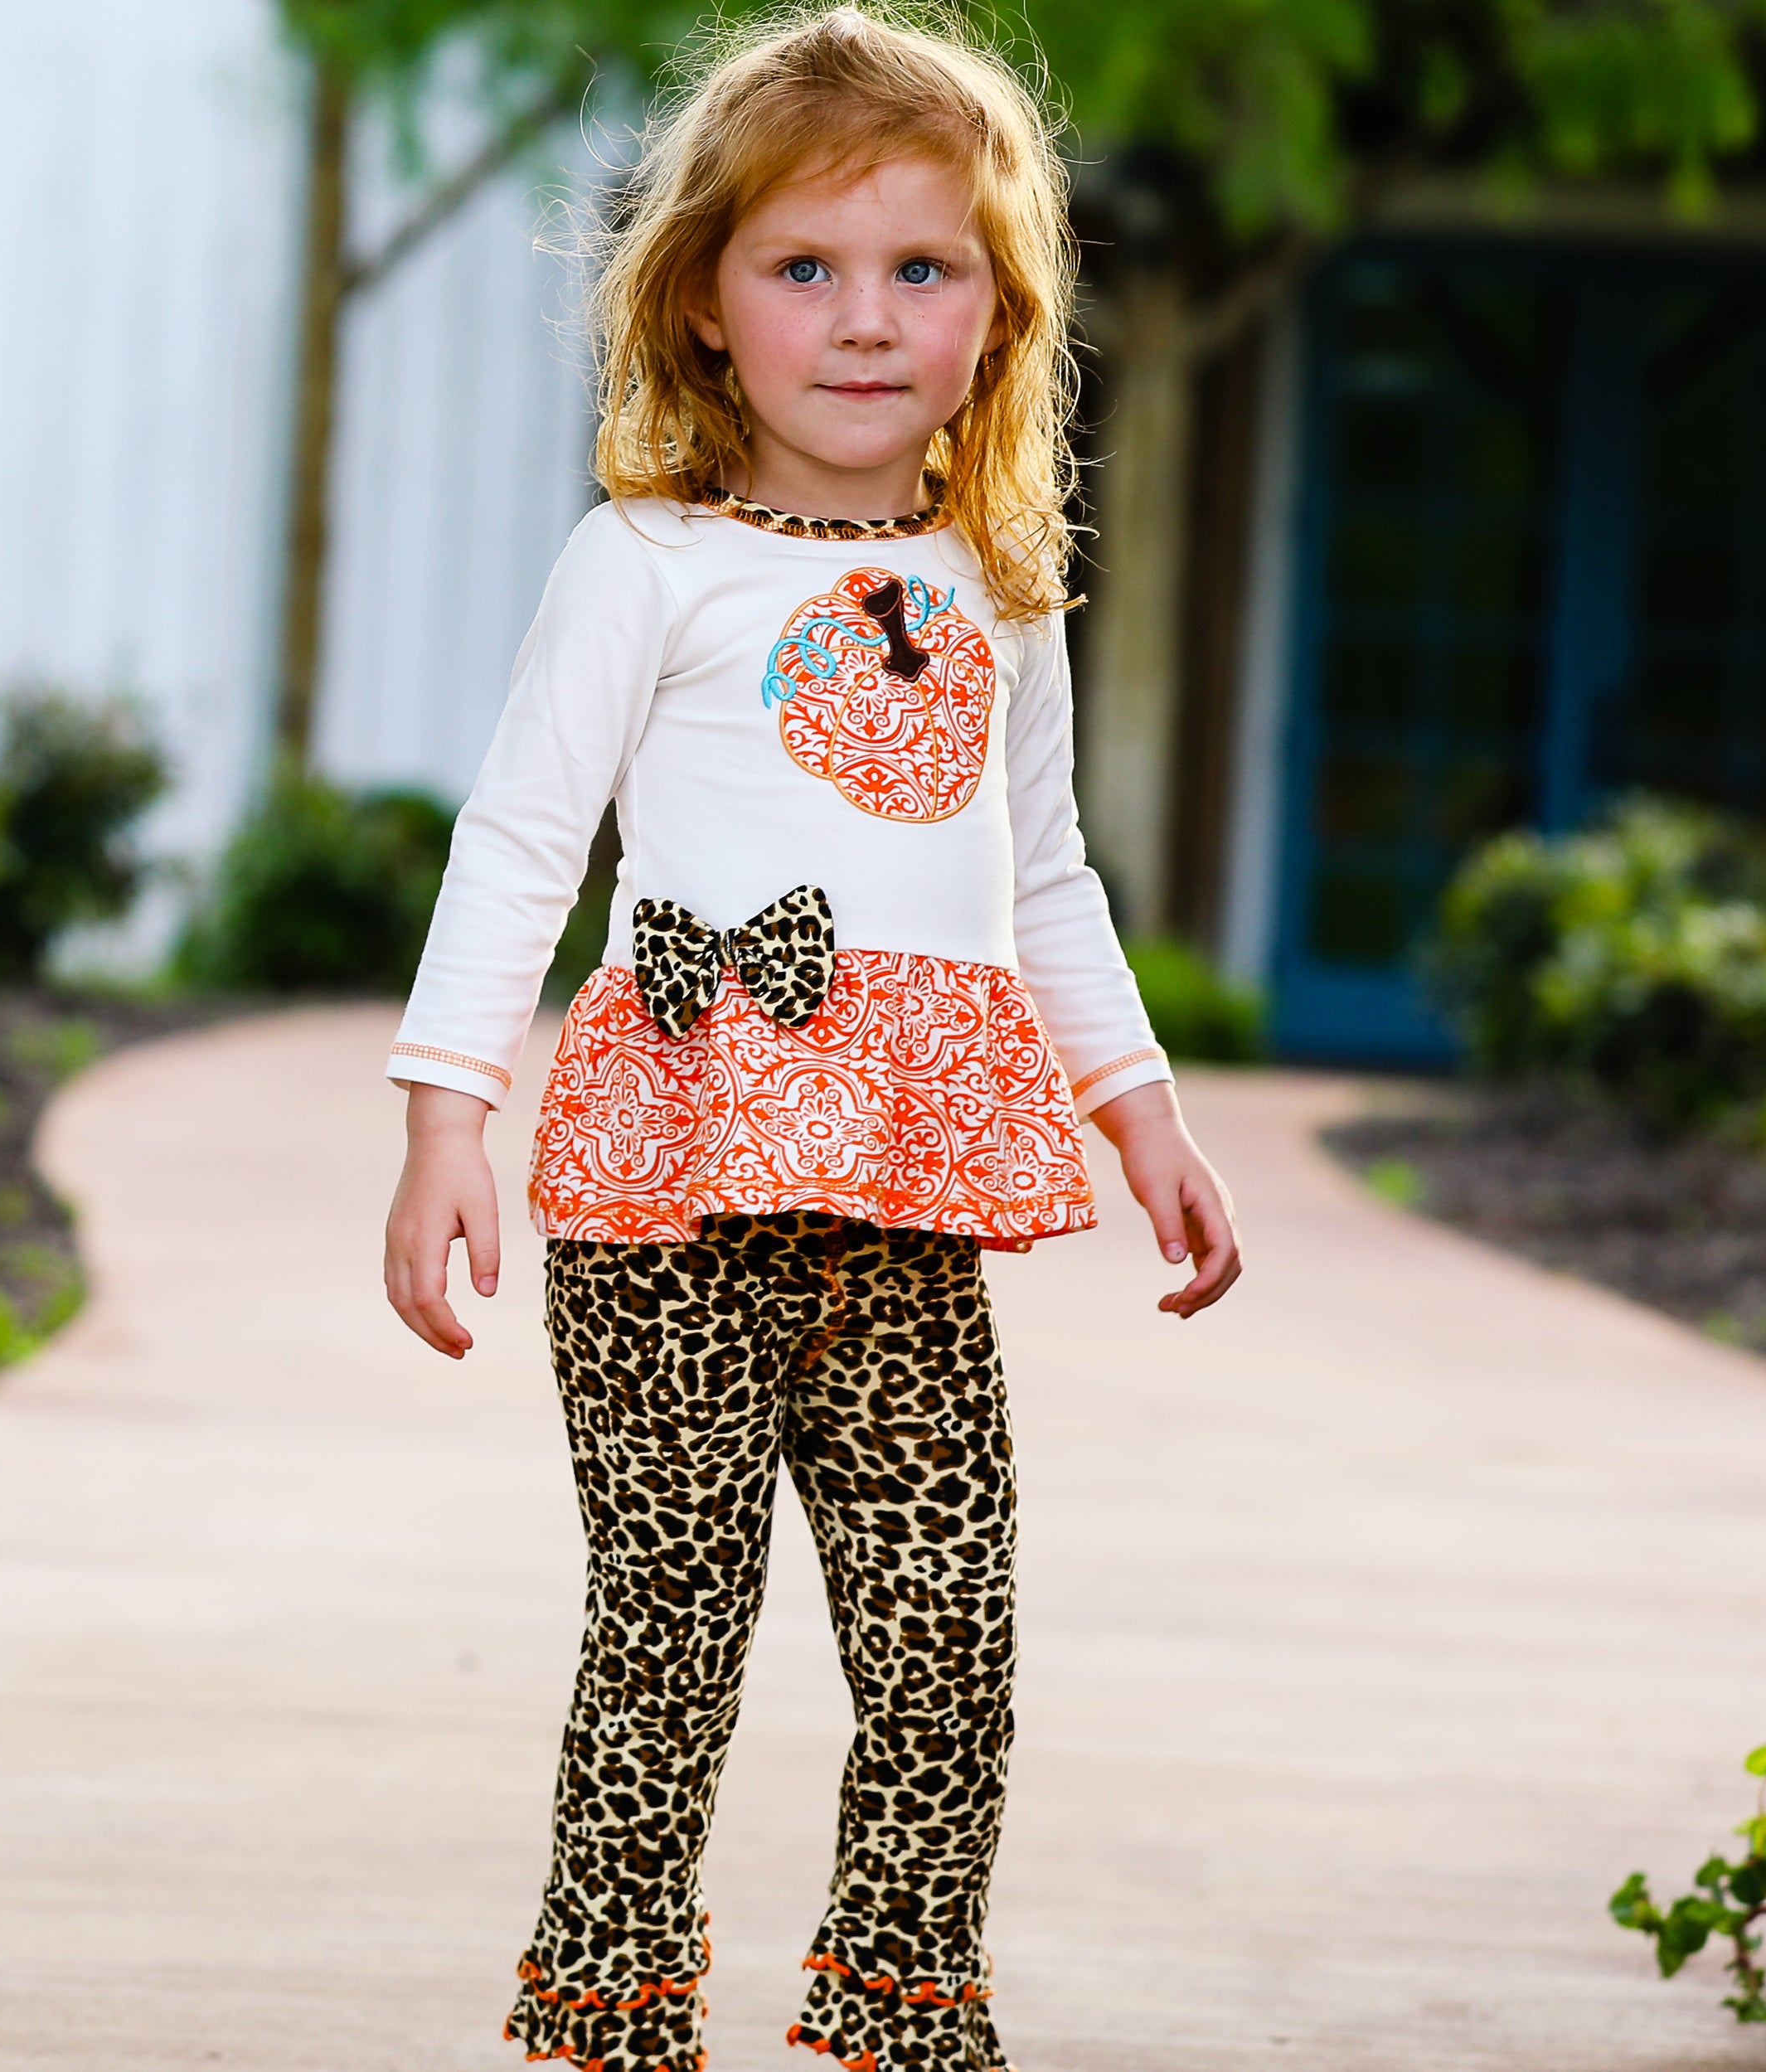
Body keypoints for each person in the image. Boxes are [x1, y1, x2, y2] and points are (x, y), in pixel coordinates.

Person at [381, 8, 1241, 2067]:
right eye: (806, 268)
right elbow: (518, 840)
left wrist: (1142, 1113)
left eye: (921, 270)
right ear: (702, 302)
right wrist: (443, 1121)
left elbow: (1044, 879)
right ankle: (609, 2001)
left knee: (947, 1625)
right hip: (671, 1176)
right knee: (672, 1626)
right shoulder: (644, 566)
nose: (864, 322)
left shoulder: (994, 588)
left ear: (995, 318)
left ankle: (896, 1997)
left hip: (906, 1189)